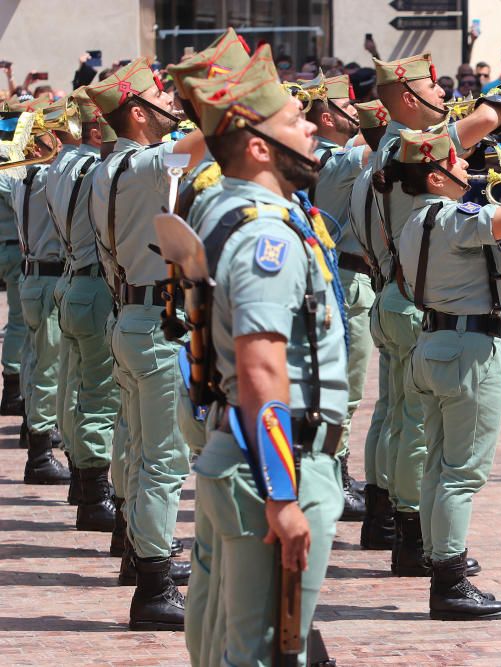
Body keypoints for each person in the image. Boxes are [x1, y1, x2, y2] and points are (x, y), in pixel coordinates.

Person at [181, 47, 348, 665]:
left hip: (244, 449)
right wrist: (283, 495)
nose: (311, 127)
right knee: (262, 654)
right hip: (275, 463)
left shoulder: (221, 201)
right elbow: (260, 368)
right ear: (257, 147)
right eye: (294, 120)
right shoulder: (265, 235)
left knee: (229, 636)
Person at [347, 52, 501, 575]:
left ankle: (389, 520)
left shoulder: (378, 154)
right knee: (420, 429)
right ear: (404, 97)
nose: (444, 94)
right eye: (433, 87)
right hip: (416, 297)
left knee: (398, 414)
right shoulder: (404, 148)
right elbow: (481, 123)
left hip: (393, 292)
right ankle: (414, 536)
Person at [393, 128, 501, 620]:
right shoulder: (450, 218)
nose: (466, 170)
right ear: (436, 175)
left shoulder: (413, 220)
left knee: (439, 467)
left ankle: (440, 562)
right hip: (467, 352)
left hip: (435, 344)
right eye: (457, 165)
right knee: (462, 473)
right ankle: (450, 579)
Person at [87, 56, 207, 629]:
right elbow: (220, 135)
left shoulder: (103, 167)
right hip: (157, 322)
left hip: (129, 316)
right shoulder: (150, 162)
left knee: (137, 448)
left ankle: (140, 555)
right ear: (137, 111)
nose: (172, 108)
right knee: (163, 460)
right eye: (162, 100)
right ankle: (155, 585)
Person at [299, 71, 372, 521]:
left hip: (335, 276)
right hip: (342, 278)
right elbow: (390, 146)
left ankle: (329, 471)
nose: (357, 116)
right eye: (350, 109)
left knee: (334, 386)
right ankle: (333, 475)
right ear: (327, 117)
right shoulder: (333, 160)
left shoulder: (324, 157)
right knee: (341, 390)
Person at [45, 89, 119, 531]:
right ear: (95, 128)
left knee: (73, 385)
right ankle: (94, 493)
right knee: (98, 393)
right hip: (93, 284)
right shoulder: (97, 169)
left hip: (71, 278)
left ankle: (80, 476)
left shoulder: (61, 163)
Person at [8, 95, 70, 485]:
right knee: (48, 367)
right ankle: (41, 454)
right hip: (48, 278)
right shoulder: (50, 178)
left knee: (35, 361)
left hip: (31, 276)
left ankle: (37, 432)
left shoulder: (21, 177)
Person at [0, 98, 28, 419]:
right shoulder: (6, 155)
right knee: (21, 322)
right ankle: (12, 387)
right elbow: (16, 196)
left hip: (11, 244)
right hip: (10, 247)